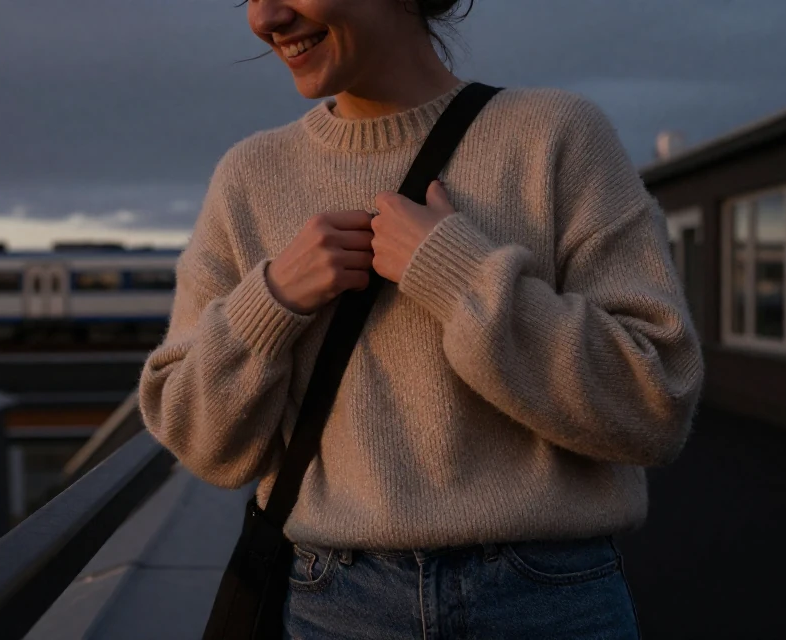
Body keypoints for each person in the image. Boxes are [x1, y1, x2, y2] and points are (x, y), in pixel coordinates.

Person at [139, 0, 705, 637]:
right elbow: (199, 441)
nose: (264, 16)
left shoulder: (557, 136)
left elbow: (657, 403)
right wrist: (271, 301)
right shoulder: (248, 178)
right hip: (337, 607)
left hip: (549, 602)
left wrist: (455, 272)